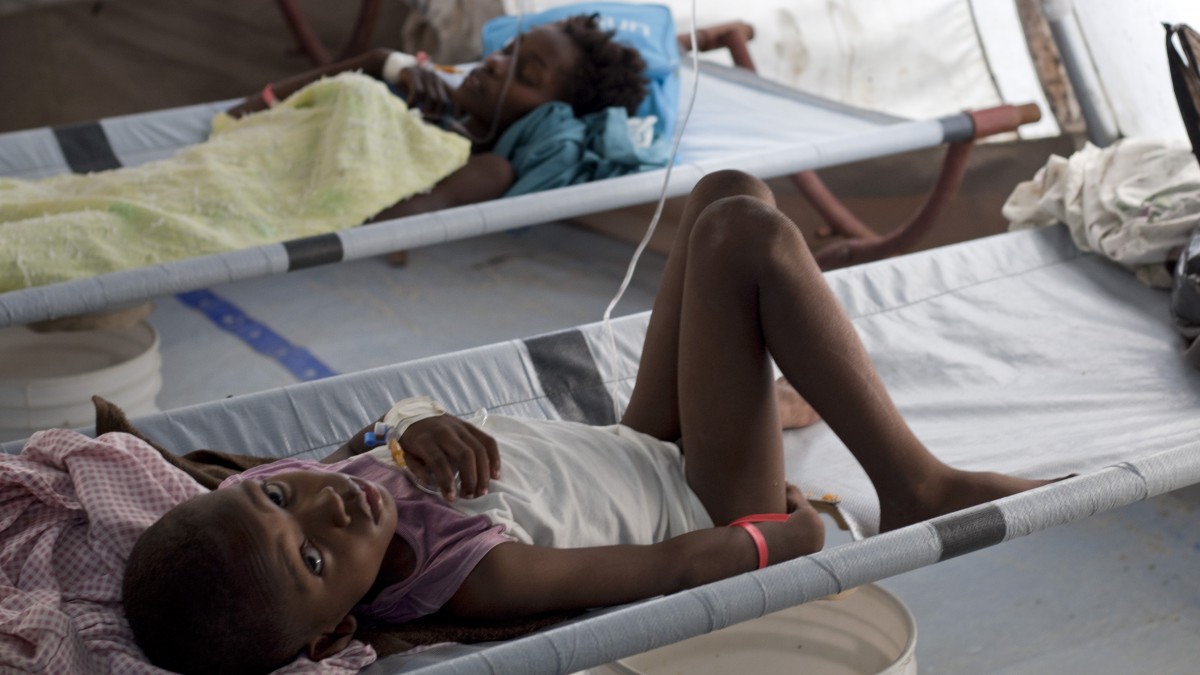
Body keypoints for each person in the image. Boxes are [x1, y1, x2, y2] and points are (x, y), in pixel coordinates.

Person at [121, 170, 1054, 674]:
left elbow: (377, 431)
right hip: (698, 494)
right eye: (312, 561)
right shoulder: (473, 576)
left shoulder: (334, 485)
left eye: (281, 493)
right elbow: (681, 566)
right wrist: (794, 531)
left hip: (626, 439)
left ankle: (778, 396)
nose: (324, 510)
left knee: (724, 192)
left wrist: (418, 421)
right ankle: (913, 484)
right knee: (749, 238)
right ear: (330, 636)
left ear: (254, 478)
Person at [226, 13, 650, 220]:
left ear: (550, 118)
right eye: (507, 51)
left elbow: (374, 229)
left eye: (525, 74)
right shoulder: (416, 87)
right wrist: (381, 63)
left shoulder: (487, 170)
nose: (496, 64)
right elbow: (243, 113)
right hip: (239, 161)